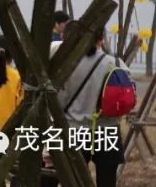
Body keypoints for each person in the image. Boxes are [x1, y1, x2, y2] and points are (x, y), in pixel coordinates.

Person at [53, 23, 125, 187]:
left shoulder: (65, 64)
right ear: (101, 39)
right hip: (108, 131)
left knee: (74, 181)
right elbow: (127, 97)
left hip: (73, 131)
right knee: (107, 181)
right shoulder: (115, 63)